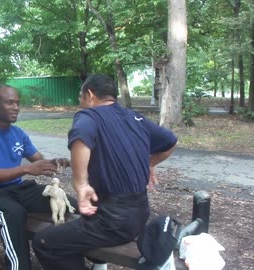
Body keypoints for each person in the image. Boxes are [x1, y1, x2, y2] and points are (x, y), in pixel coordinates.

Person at [32, 74, 178, 270]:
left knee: (44, 242)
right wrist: (150, 163)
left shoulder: (88, 115)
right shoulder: (134, 117)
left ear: (89, 95)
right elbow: (170, 141)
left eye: (80, 98)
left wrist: (81, 184)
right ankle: (99, 266)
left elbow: (81, 137)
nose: (80, 103)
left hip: (112, 222)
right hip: (139, 215)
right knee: (78, 225)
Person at [0, 85, 76, 270]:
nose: (16, 107)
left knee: (66, 202)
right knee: (14, 213)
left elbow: (38, 159)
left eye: (17, 103)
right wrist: (26, 169)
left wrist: (54, 161)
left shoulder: (18, 134)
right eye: (10, 103)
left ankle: (85, 261)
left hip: (19, 189)